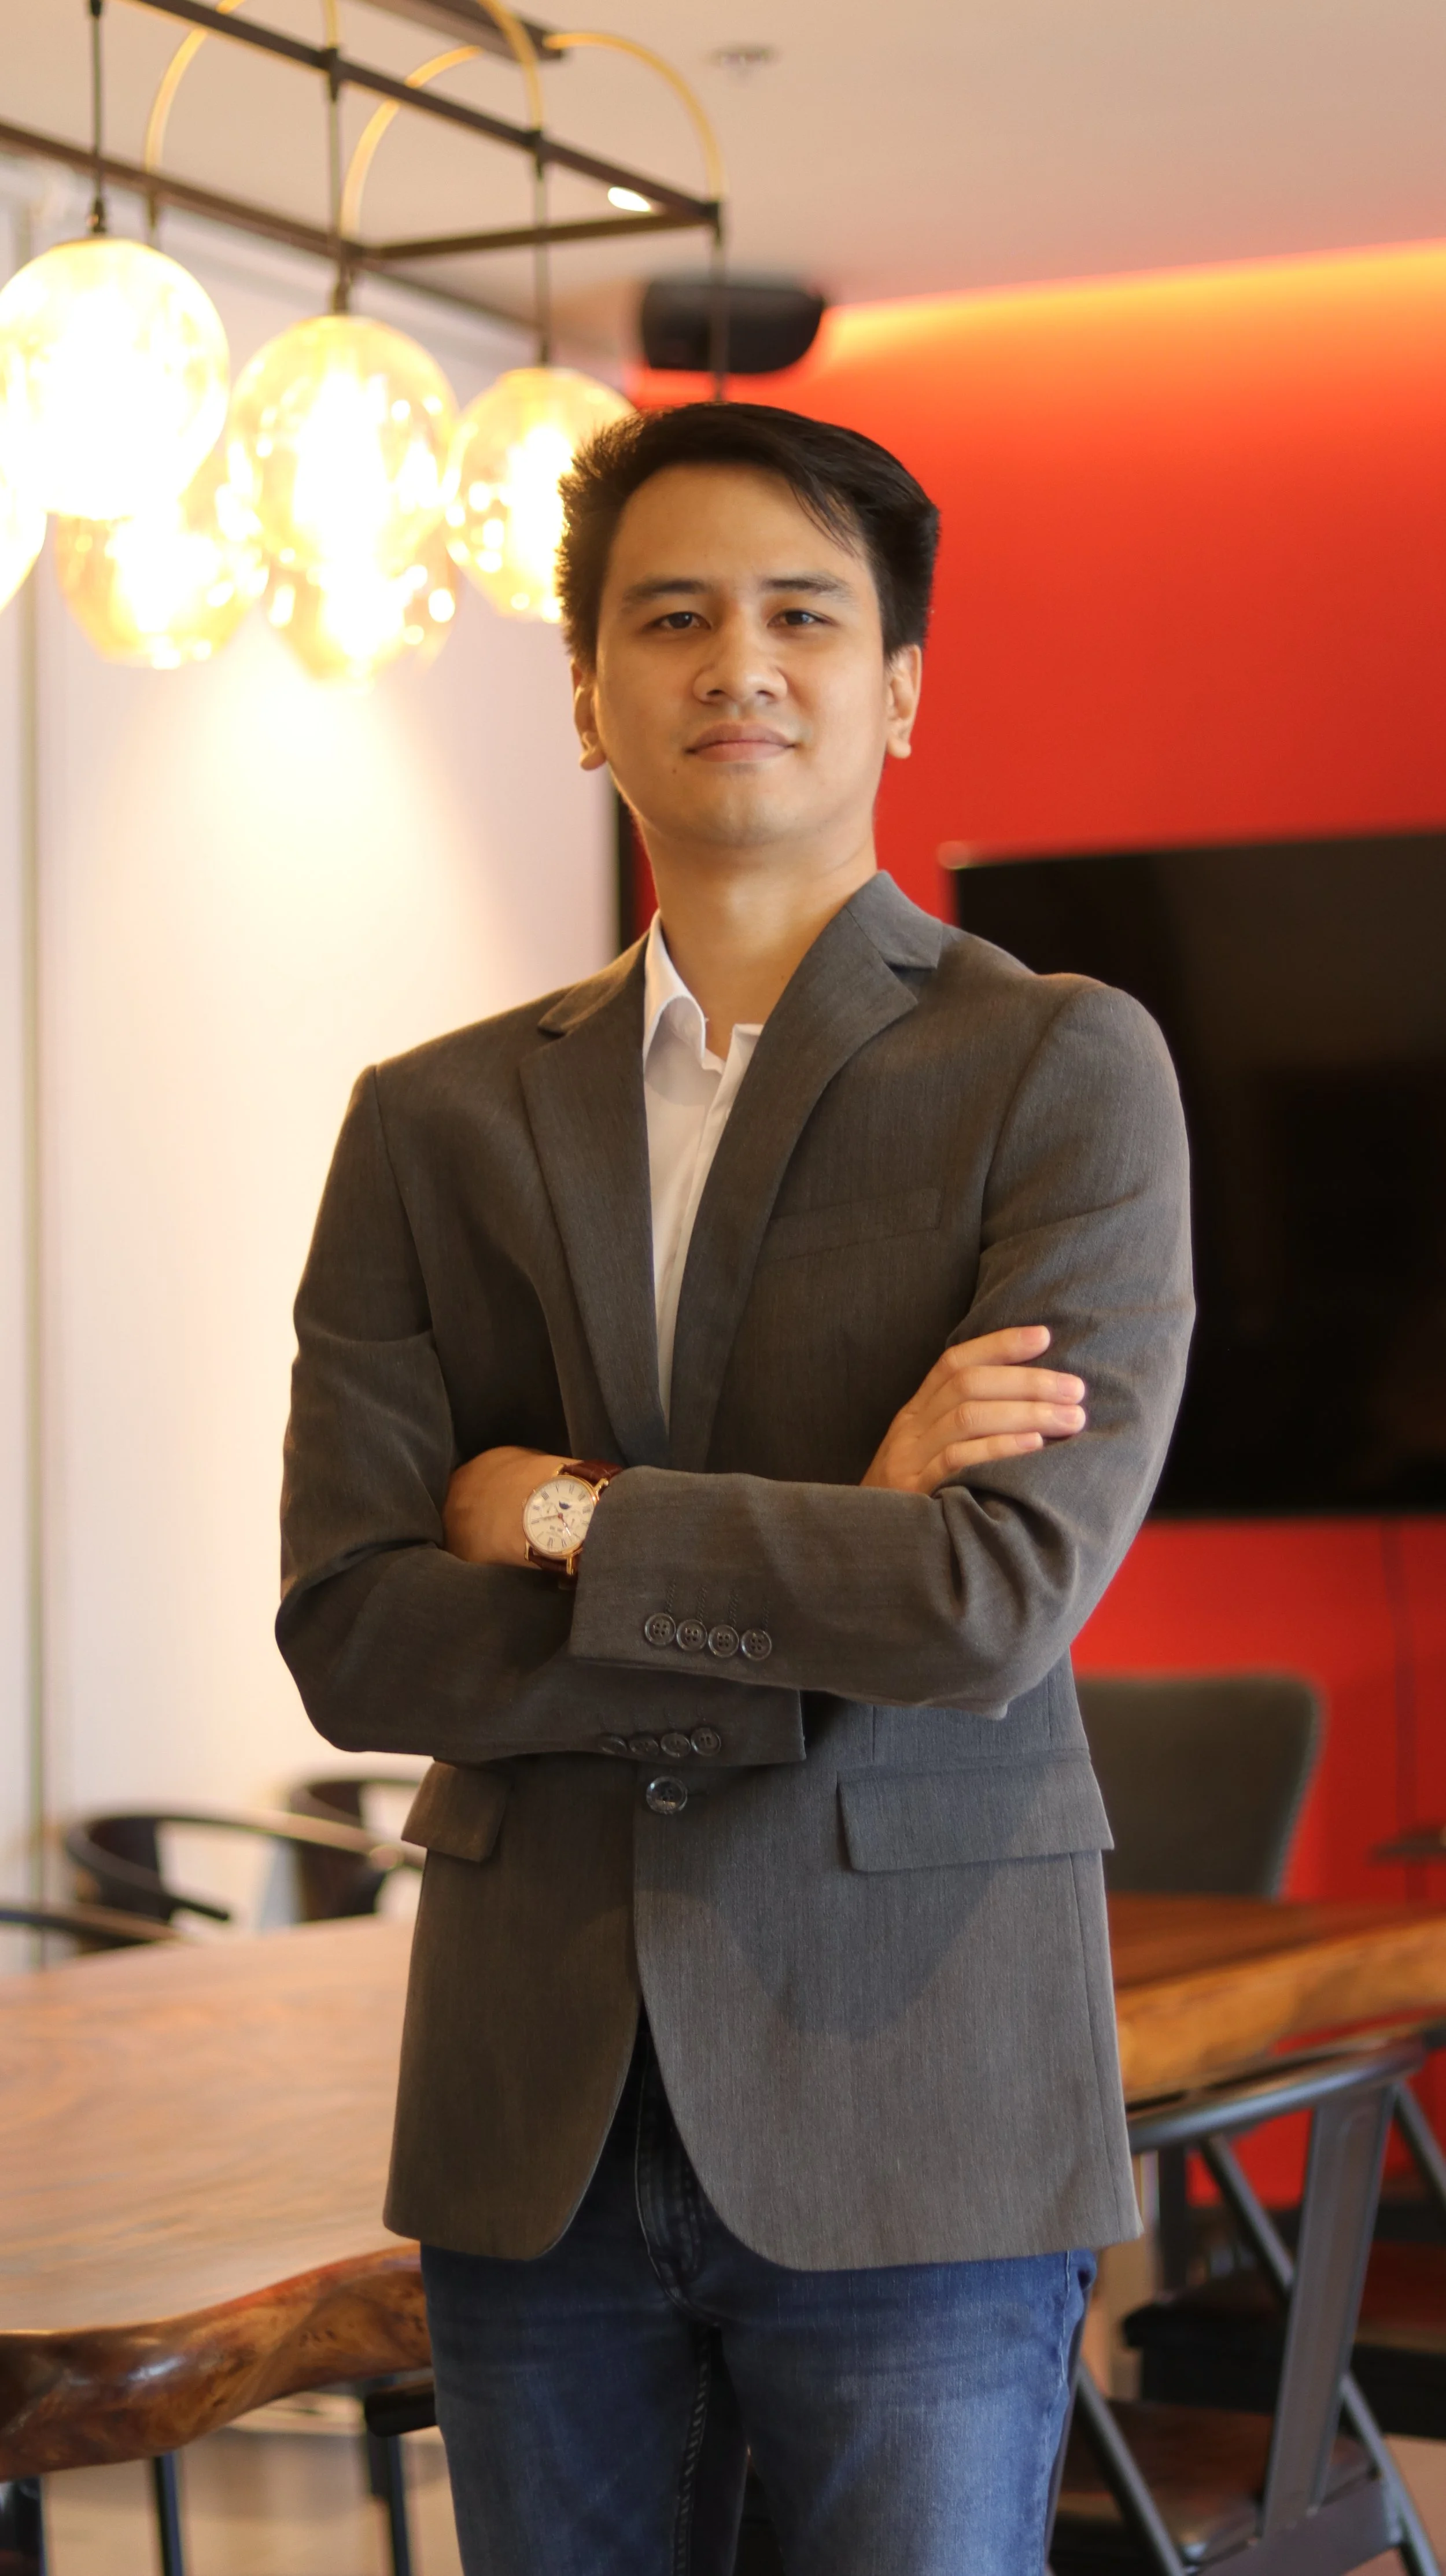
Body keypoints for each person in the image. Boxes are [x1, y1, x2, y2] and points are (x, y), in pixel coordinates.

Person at [278, 400, 1193, 2576]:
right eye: (669, 617)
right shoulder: (432, 1121)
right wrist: (842, 1540)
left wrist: (569, 1513)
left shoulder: (1058, 1064)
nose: (737, 664)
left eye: (802, 613)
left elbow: (987, 1605)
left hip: (917, 2100)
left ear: (896, 686)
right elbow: (354, 1628)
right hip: (535, 2110)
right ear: (585, 691)